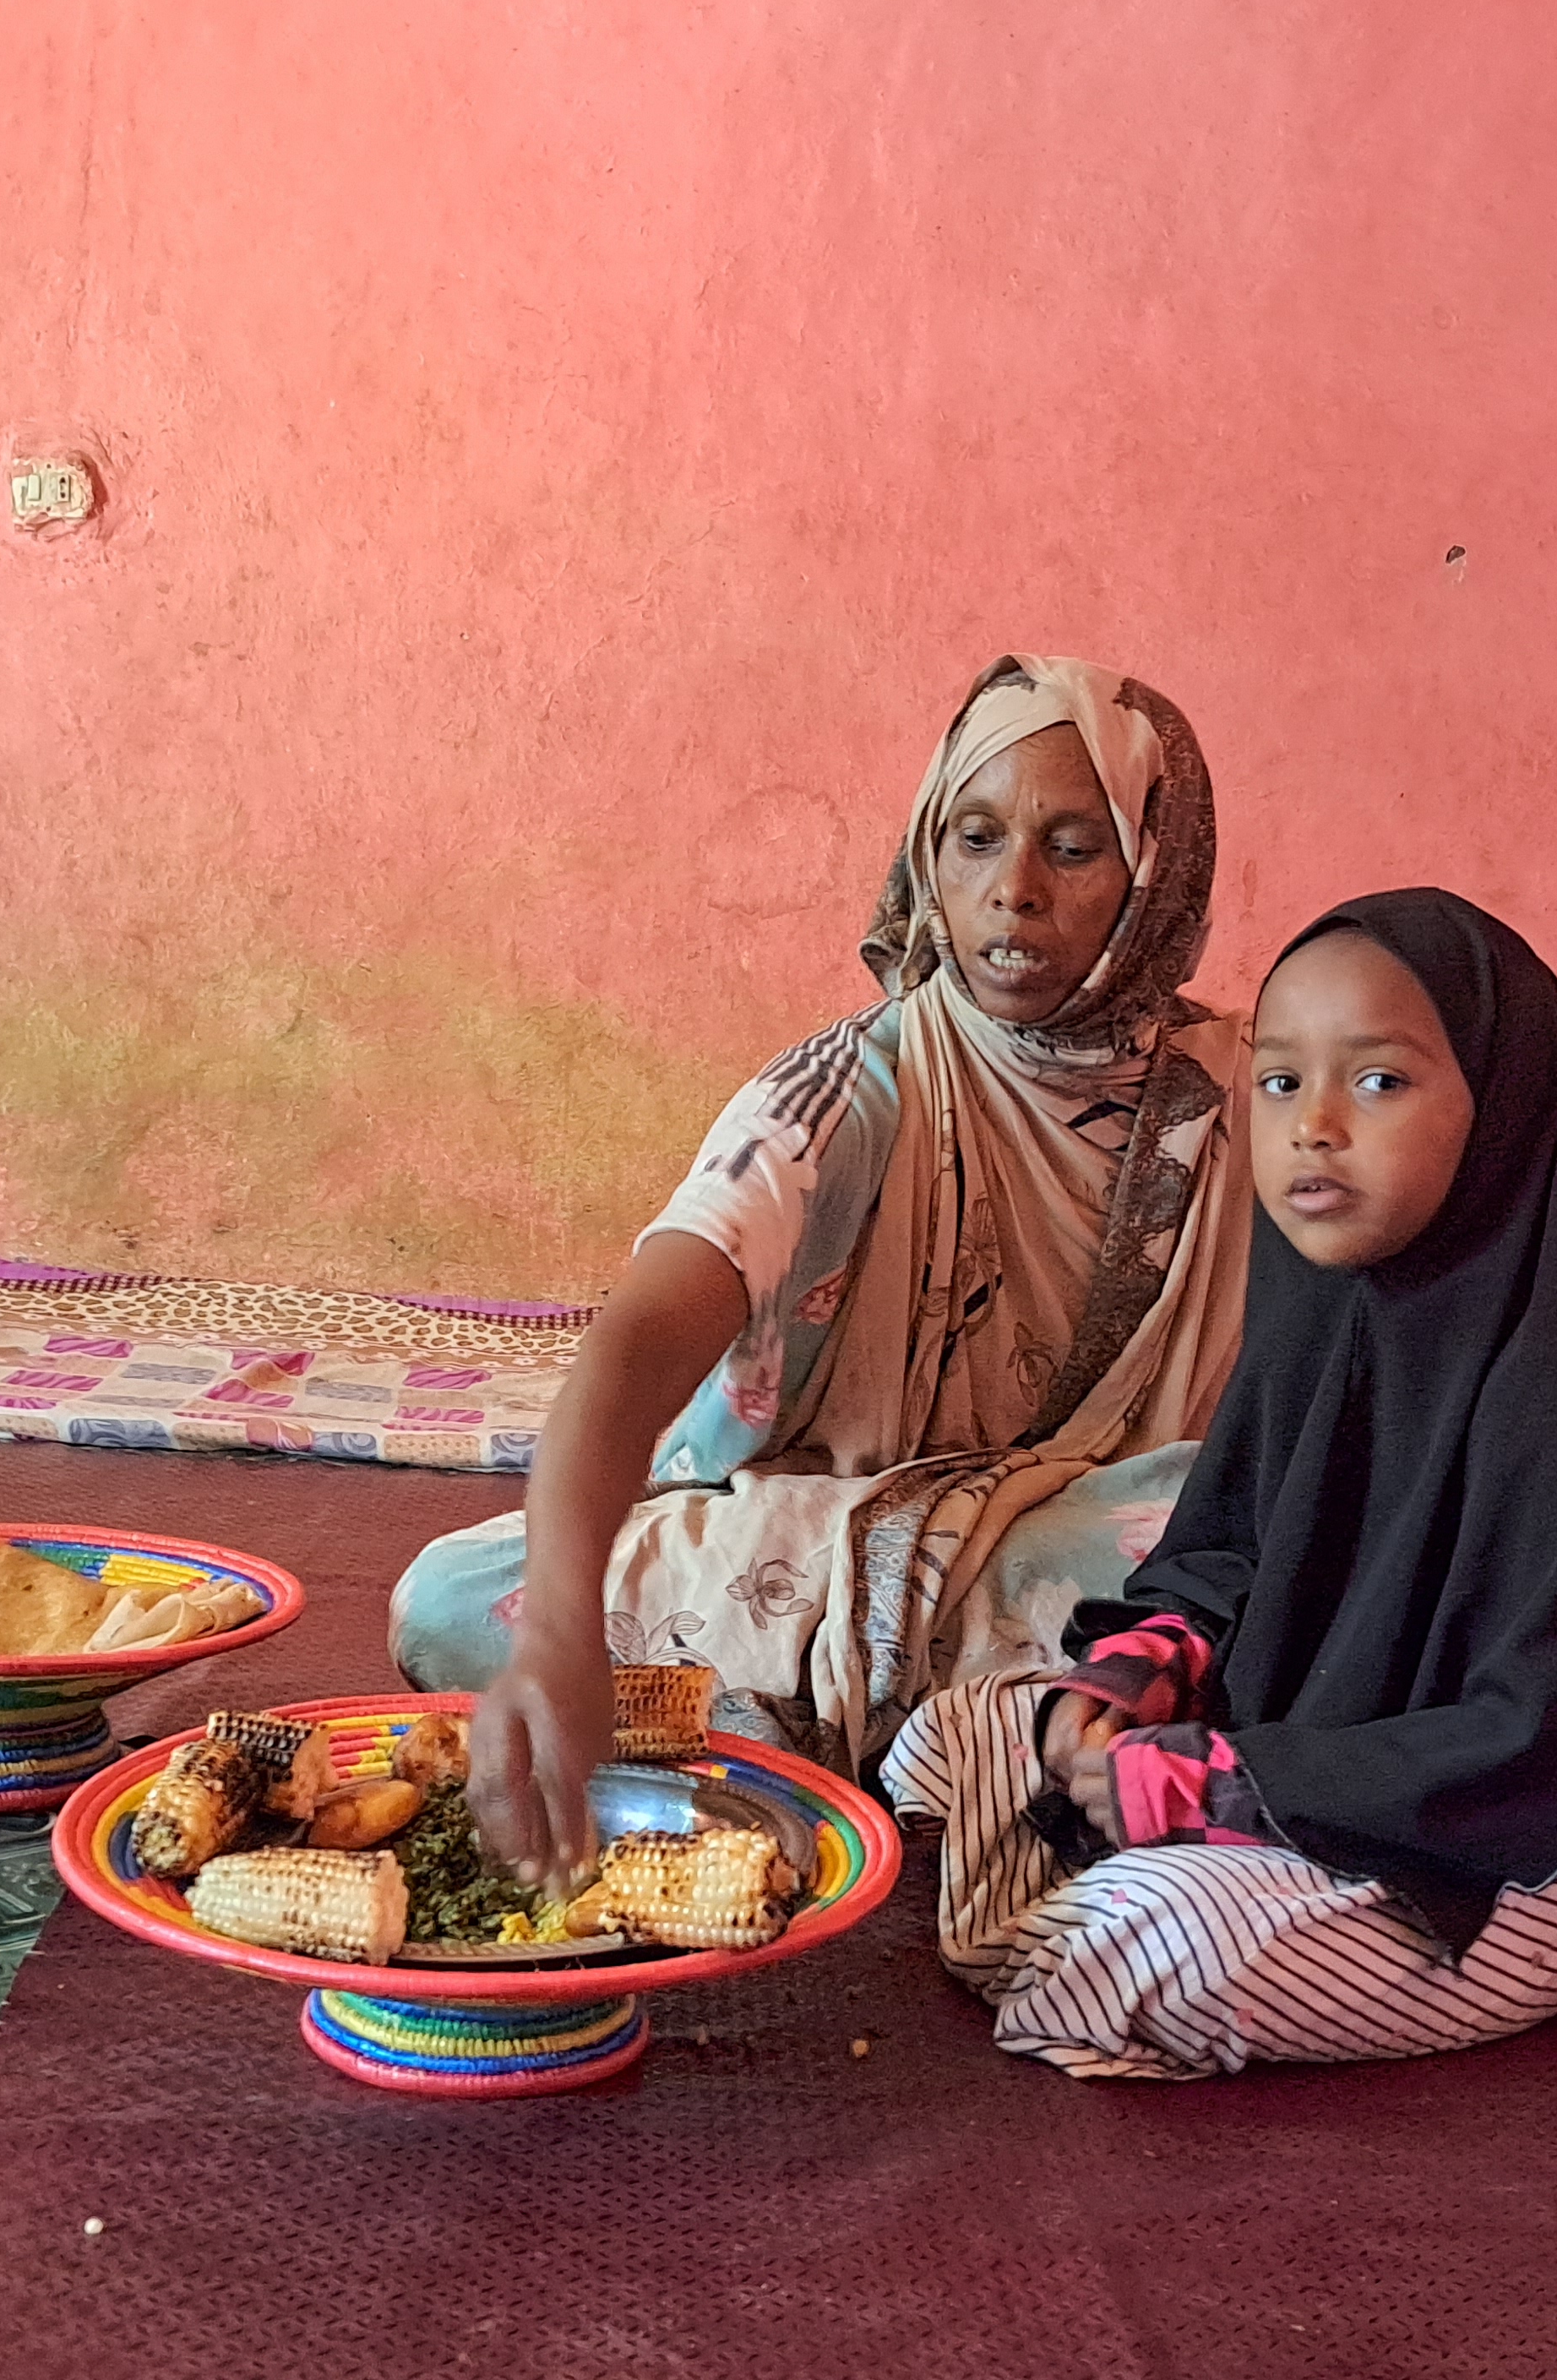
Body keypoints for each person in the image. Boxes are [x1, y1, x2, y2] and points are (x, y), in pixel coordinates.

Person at [396, 656, 1257, 1887]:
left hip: (1092, 1546)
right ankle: (1003, 1746)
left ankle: (813, 1747)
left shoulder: (1250, 1094)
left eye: (1074, 849)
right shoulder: (848, 1088)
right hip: (821, 1531)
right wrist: (558, 1634)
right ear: (925, 856)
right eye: (976, 838)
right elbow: (643, 1335)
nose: (1012, 892)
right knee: (456, 1596)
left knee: (1224, 1551)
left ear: (1156, 875)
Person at [880, 889, 1557, 2078]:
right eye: (1281, 1082)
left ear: (1503, 1106)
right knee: (962, 1730)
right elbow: (1226, 1553)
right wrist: (1124, 1692)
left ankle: (1102, 1904)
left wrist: (1209, 1786)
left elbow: (1525, 1740)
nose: (1314, 1128)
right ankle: (1117, 1880)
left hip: (1501, 1863)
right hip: (1317, 1760)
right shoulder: (1321, 1309)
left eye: (1379, 1083)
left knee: (1142, 1945)